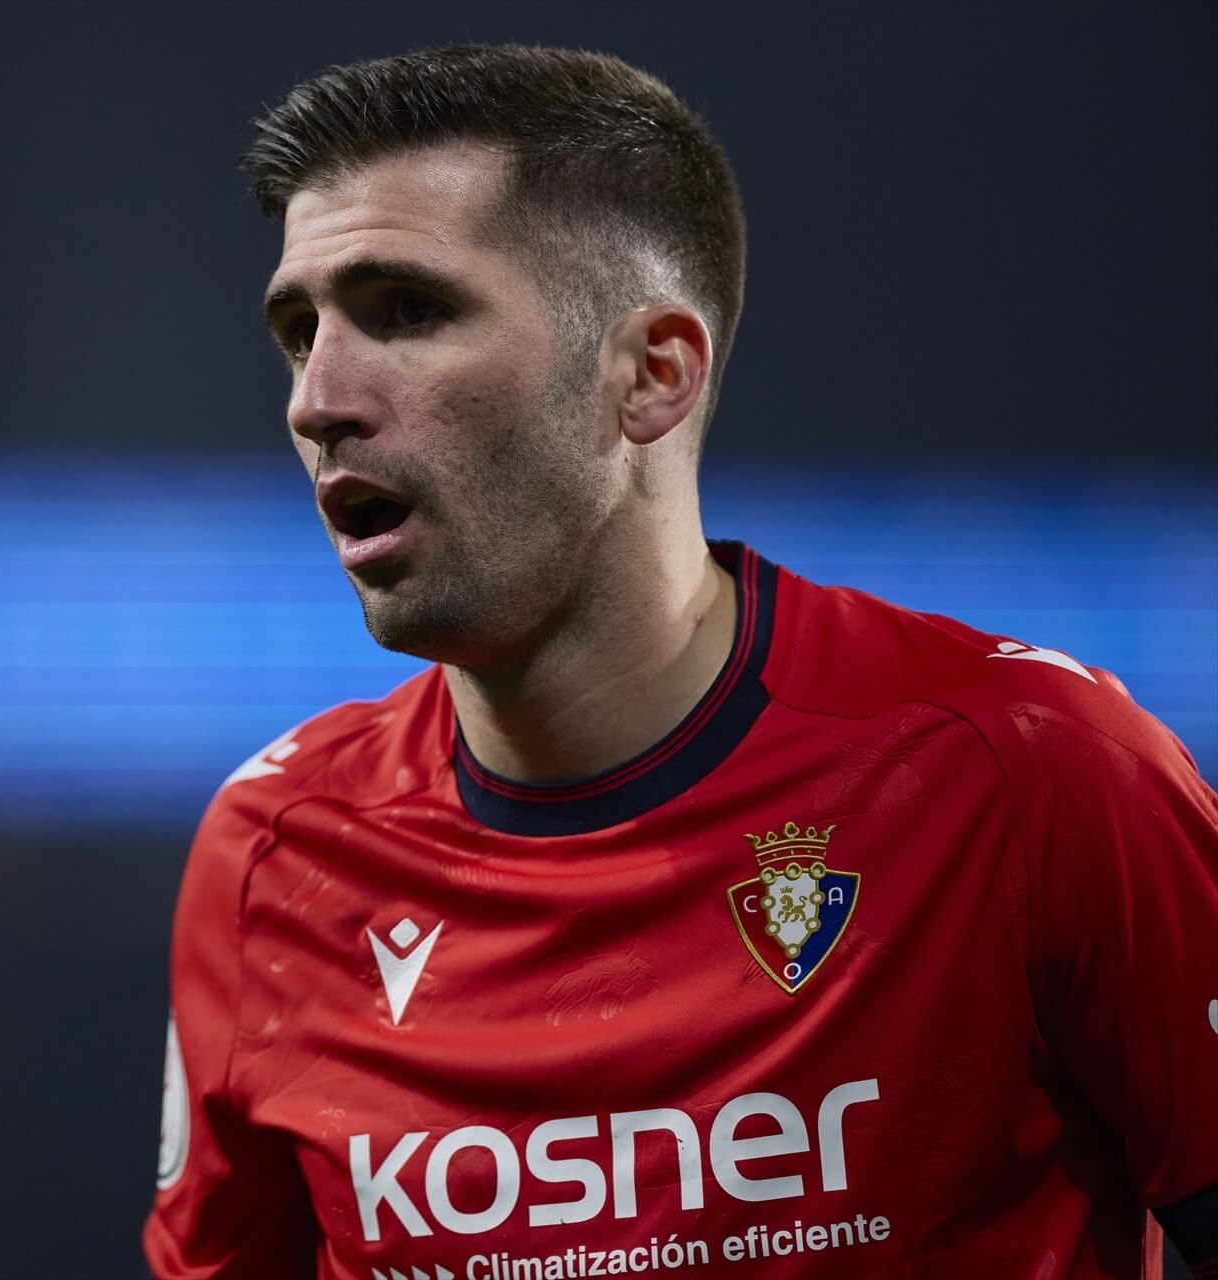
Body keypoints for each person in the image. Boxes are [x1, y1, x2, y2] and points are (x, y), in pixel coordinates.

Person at [142, 44, 1216, 1280]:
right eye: (299, 331)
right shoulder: (272, 861)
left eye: (407, 311)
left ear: (653, 374)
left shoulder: (1026, 771)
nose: (317, 399)